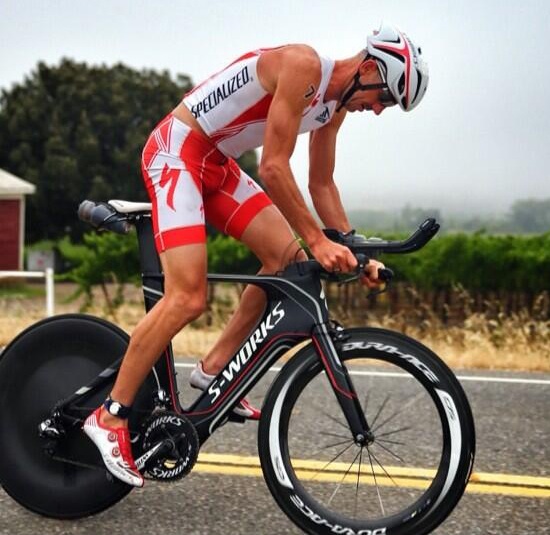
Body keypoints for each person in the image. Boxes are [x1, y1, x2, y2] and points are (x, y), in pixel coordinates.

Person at [83, 23, 429, 487]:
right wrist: (319, 242)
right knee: (187, 297)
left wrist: (356, 251)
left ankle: (213, 372)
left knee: (285, 260)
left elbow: (321, 185)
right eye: (385, 97)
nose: (380, 110)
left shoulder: (333, 107)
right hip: (177, 152)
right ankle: (110, 417)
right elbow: (272, 166)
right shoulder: (303, 66)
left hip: (217, 165)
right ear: (368, 67)